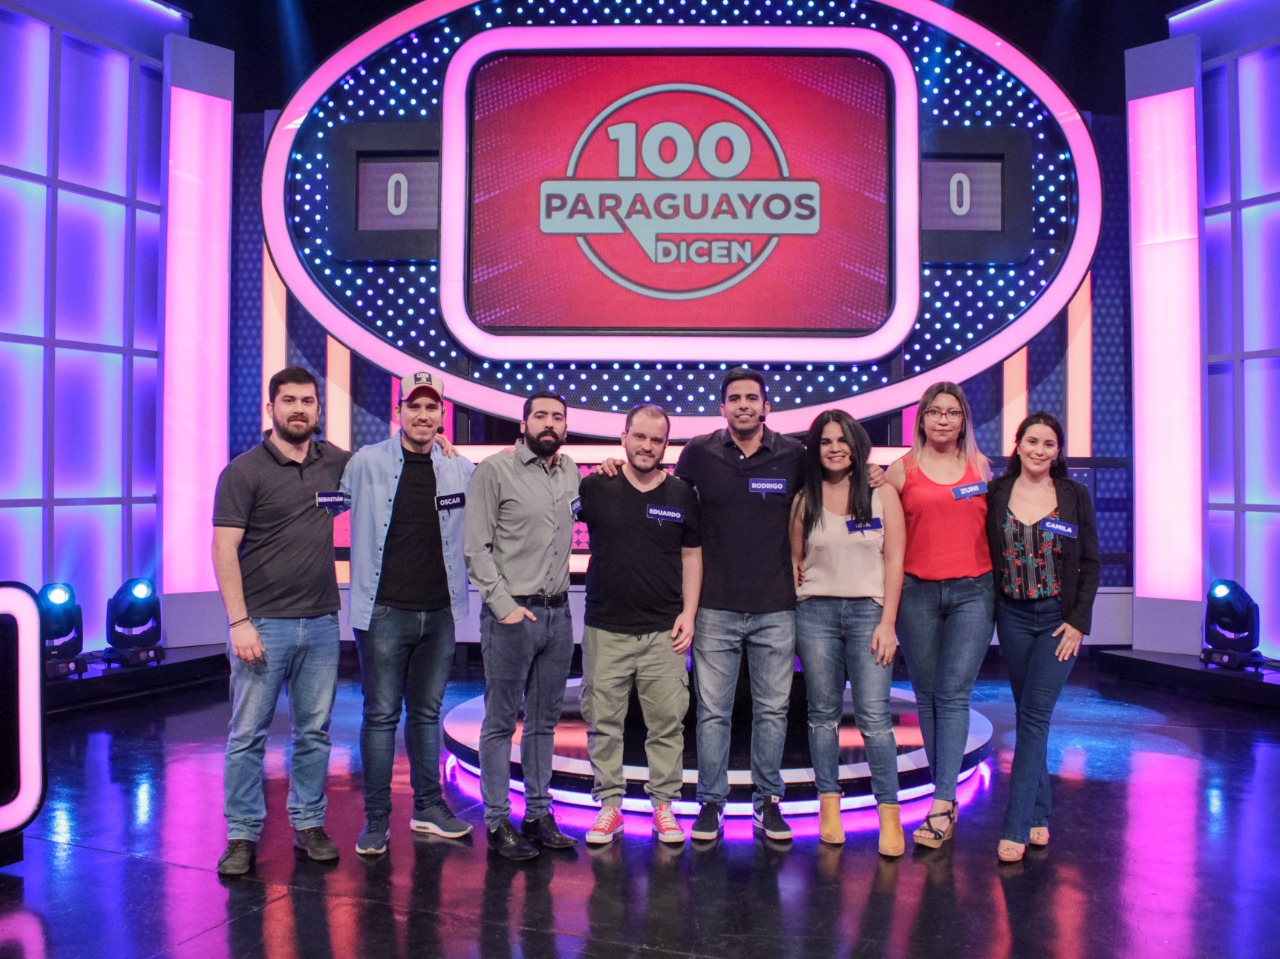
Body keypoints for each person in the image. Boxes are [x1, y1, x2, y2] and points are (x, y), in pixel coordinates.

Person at [211, 367, 351, 876]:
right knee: (248, 735)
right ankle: (241, 834)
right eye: (288, 400)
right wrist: (239, 622)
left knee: (314, 733)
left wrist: (439, 447)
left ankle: (308, 823)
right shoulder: (243, 471)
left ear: (318, 409)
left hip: (321, 623)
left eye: (307, 401)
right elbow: (223, 549)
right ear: (271, 408)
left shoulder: (335, 462)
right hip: (263, 625)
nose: (299, 409)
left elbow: (388, 467)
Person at [341, 371, 475, 856]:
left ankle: (428, 807)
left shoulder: (460, 469)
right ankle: (377, 818)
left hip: (439, 613)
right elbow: (322, 500)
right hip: (383, 612)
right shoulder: (365, 462)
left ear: (442, 416)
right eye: (413, 406)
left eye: (431, 407)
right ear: (398, 411)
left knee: (426, 714)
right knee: (380, 716)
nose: (422, 415)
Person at [675, 367, 806, 842]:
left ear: (766, 407)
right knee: (713, 712)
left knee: (773, 711)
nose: (744, 405)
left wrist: (873, 473)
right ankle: (711, 803)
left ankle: (767, 801)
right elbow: (667, 497)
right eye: (735, 398)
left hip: (776, 606)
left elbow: (832, 488)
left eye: (752, 397)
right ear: (722, 407)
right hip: (714, 606)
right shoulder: (698, 452)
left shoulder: (794, 455)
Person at [577, 405, 702, 846]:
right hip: (605, 629)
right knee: (603, 723)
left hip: (663, 632)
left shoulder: (682, 493)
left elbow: (692, 555)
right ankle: (609, 806)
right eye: (640, 437)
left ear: (666, 445)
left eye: (656, 440)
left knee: (667, 724)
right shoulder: (595, 486)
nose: (647, 446)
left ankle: (663, 807)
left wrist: (689, 613)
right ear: (624, 437)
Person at [464, 390, 581, 860]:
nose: (549, 423)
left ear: (566, 426)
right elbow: (475, 547)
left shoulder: (571, 472)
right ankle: (497, 821)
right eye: (540, 415)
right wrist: (503, 605)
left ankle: (537, 814)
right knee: (499, 722)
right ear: (524, 423)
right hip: (512, 616)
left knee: (543, 724)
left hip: (559, 615)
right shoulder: (494, 471)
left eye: (557, 417)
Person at [790, 410, 906, 855]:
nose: (834, 448)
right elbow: (795, 558)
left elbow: (895, 561)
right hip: (815, 615)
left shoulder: (882, 493)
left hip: (869, 615)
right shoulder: (805, 499)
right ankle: (829, 806)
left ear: (856, 446)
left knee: (874, 717)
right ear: (815, 449)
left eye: (842, 440)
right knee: (822, 715)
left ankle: (889, 814)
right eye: (825, 441)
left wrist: (888, 623)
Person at [984, 411, 1099, 862]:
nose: (1039, 450)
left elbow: (1090, 563)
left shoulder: (1073, 495)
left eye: (1048, 443)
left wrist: (1079, 621)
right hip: (1012, 617)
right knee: (1028, 714)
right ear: (1017, 445)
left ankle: (1013, 826)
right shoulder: (996, 492)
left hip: (1057, 621)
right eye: (1031, 441)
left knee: (1033, 717)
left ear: (1057, 450)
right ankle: (1038, 814)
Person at [883, 381, 994, 848]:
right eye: (935, 412)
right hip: (917, 594)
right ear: (922, 418)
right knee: (927, 696)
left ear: (963, 419)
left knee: (952, 695)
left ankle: (942, 802)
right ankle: (942, 795)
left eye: (952, 412)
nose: (943, 419)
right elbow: (881, 534)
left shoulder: (979, 466)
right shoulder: (899, 471)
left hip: (974, 592)